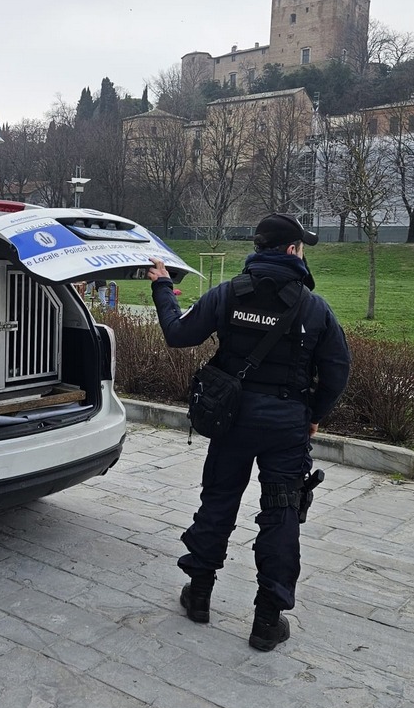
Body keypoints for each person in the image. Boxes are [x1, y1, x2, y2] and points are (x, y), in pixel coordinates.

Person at [146, 212, 351, 652]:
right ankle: (267, 621)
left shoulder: (227, 294)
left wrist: (162, 286)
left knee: (218, 500)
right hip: (286, 425)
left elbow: (179, 334)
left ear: (258, 248)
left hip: (232, 418)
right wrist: (314, 414)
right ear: (293, 250)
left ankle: (199, 595)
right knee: (281, 514)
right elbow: (338, 371)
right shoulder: (314, 307)